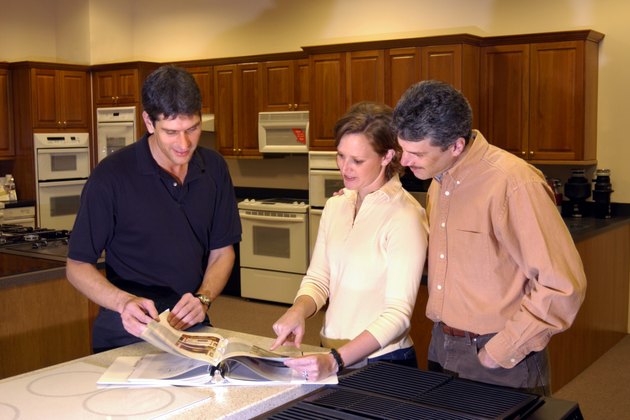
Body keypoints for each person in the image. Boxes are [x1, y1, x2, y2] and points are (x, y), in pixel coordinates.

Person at [392, 80, 587, 395]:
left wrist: (502, 350)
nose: (405, 161)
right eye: (403, 149)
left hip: (501, 356)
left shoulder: (514, 183)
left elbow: (562, 285)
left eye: (416, 153)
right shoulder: (437, 180)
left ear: (456, 145)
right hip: (443, 346)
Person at [66, 65, 241, 353]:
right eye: (171, 132)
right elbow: (76, 266)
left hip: (190, 327)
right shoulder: (111, 177)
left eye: (193, 128)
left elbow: (222, 252)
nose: (185, 144)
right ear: (148, 122)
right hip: (127, 332)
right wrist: (123, 302)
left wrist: (204, 298)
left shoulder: (215, 168)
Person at [270, 101, 429, 382]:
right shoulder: (337, 205)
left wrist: (336, 360)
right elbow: (319, 278)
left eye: (357, 160)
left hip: (384, 363)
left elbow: (398, 315)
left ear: (387, 156)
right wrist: (298, 310)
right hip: (328, 352)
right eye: (341, 156)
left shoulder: (405, 217)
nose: (345, 168)